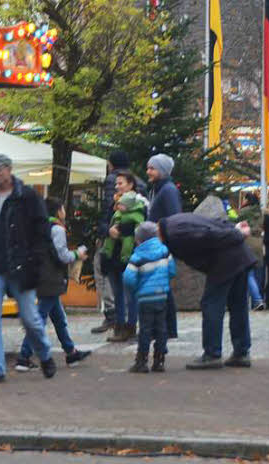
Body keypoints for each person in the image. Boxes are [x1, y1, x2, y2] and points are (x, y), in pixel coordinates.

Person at [0, 153, 55, 383]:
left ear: (9, 170)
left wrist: (35, 262)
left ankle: (45, 354)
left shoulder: (27, 196)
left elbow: (42, 232)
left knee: (30, 320)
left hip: (20, 266)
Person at [158, 211, 255, 369]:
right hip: (237, 256)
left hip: (224, 260)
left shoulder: (175, 231)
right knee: (238, 305)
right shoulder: (176, 223)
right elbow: (213, 223)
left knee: (212, 305)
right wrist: (234, 229)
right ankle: (241, 352)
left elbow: (209, 234)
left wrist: (236, 233)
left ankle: (212, 353)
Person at [15, 198, 91, 371]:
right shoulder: (57, 229)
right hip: (51, 277)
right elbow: (62, 255)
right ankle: (24, 356)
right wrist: (77, 254)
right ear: (57, 211)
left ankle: (70, 352)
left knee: (57, 317)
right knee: (39, 317)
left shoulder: (36, 228)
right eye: (63, 209)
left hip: (39, 275)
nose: (64, 212)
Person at [123, 221, 176, 373]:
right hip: (162, 296)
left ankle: (141, 361)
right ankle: (159, 360)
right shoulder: (165, 251)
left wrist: (135, 289)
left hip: (145, 298)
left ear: (138, 239)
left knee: (145, 329)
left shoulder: (137, 256)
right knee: (161, 328)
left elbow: (128, 278)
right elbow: (172, 271)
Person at [102, 182, 147, 343]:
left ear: (130, 185)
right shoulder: (113, 205)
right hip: (113, 256)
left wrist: (119, 230)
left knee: (130, 293)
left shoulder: (139, 204)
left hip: (128, 257)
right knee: (118, 294)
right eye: (116, 183)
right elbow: (104, 223)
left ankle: (130, 326)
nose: (116, 186)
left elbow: (140, 229)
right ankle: (119, 326)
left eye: (120, 183)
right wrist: (108, 229)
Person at [146, 153, 181, 339]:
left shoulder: (167, 190)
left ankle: (165, 328)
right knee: (161, 287)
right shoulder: (158, 189)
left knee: (161, 287)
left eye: (152, 168)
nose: (148, 171)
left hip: (162, 245)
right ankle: (165, 328)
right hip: (158, 244)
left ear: (162, 170)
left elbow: (174, 218)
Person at [239, 193, 265, 310]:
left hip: (247, 242)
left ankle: (256, 299)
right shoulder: (261, 212)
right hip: (258, 242)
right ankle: (258, 299)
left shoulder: (244, 212)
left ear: (248, 200)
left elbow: (238, 223)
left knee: (248, 274)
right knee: (257, 273)